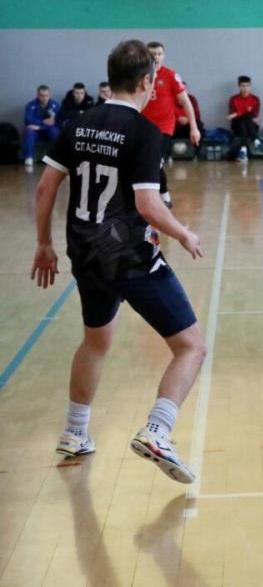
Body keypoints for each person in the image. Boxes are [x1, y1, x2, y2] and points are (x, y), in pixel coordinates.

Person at [31, 39, 207, 483]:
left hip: (85, 255)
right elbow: (148, 205)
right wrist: (184, 233)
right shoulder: (144, 132)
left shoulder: (78, 123)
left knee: (96, 342)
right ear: (147, 81)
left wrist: (44, 244)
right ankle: (158, 431)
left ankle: (74, 433)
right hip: (130, 259)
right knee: (191, 347)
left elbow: (45, 188)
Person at [143, 41, 200, 207]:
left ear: (163, 56)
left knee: (156, 162)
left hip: (163, 127)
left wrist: (194, 128)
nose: (156, 57)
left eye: (159, 54)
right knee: (146, 163)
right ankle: (160, 197)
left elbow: (185, 102)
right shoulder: (139, 76)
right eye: (152, 54)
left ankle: (162, 198)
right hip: (143, 127)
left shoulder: (170, 76)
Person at [23, 85, 60, 167]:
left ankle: (58, 157)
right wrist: (43, 121)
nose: (45, 98)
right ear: (38, 95)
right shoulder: (31, 105)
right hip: (35, 132)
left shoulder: (55, 105)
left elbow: (56, 122)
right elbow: (28, 121)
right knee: (29, 131)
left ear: (50, 95)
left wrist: (40, 127)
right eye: (42, 96)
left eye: (47, 95)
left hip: (48, 130)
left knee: (55, 131)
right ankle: (29, 157)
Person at [226, 75, 261, 161]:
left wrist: (238, 113)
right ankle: (256, 140)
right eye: (243, 86)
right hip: (237, 127)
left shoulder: (255, 99)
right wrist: (243, 112)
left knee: (246, 118)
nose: (245, 88)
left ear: (250, 86)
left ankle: (243, 151)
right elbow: (230, 117)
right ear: (239, 86)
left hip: (252, 127)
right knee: (244, 119)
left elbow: (255, 118)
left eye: (247, 85)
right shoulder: (233, 99)